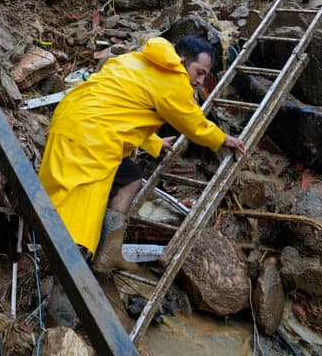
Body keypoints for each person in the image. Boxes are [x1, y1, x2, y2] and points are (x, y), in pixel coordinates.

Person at [38, 35, 243, 273]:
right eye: (199, 72)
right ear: (183, 60)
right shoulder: (174, 79)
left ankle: (109, 251)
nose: (200, 81)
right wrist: (224, 139)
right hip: (92, 137)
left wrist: (155, 142)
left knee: (129, 177)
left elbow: (124, 106)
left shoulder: (138, 60)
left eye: (205, 75)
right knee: (78, 206)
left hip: (73, 121)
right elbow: (194, 124)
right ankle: (68, 271)